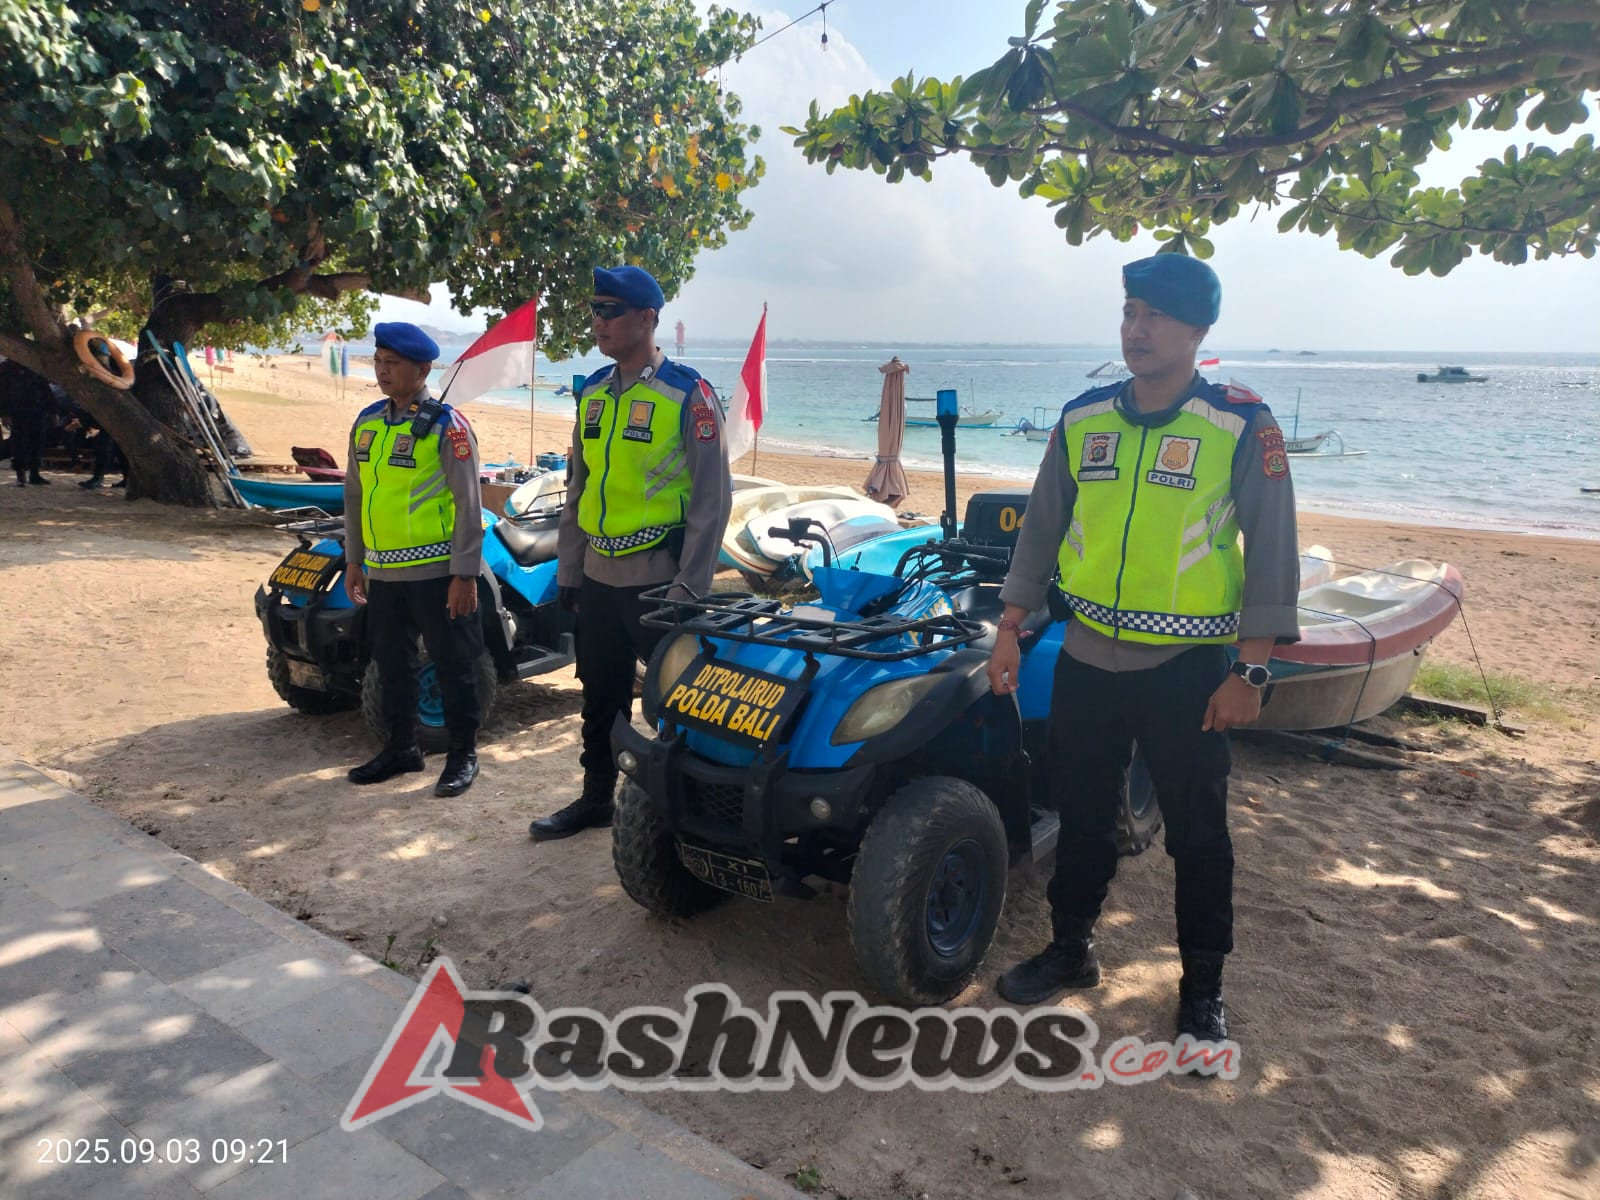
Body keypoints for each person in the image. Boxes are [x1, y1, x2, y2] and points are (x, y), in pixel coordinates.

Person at [985, 254, 1300, 1049]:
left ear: (1197, 330)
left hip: (1190, 671)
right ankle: (1069, 949)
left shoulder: (1239, 422)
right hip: (1087, 657)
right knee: (1084, 816)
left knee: (1198, 835)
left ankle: (1202, 990)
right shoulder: (1084, 415)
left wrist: (1252, 669)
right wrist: (1010, 627)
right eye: (1129, 311)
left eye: (1155, 316)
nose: (1137, 329)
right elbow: (1043, 526)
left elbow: (1271, 549)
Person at [529, 266, 732, 840]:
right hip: (597, 574)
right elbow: (580, 483)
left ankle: (696, 809)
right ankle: (597, 796)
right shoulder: (592, 392)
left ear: (647, 318)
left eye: (611, 312)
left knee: (678, 700)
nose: (599, 322)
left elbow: (713, 498)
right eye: (595, 311)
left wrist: (690, 587)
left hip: (659, 579)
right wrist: (569, 568)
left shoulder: (687, 394)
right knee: (600, 693)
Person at [342, 322, 486, 798]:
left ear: (423, 370)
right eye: (378, 362)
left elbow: (470, 504)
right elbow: (356, 495)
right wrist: (354, 559)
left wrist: (464, 572)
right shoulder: (367, 423)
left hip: (437, 571)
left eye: (393, 364)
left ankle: (463, 755)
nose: (383, 371)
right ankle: (402, 748)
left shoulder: (448, 426)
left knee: (453, 663)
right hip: (383, 572)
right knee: (391, 663)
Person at [0, 360, 57, 486]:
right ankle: (20, 474)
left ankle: (35, 474)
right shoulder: (6, 368)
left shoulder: (35, 365)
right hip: (17, 411)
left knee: (37, 442)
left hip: (37, 410)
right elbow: (2, 392)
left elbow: (45, 389)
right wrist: (4, 413)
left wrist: (53, 411)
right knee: (19, 443)